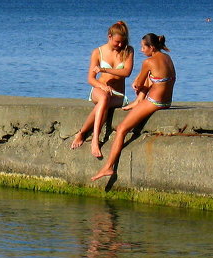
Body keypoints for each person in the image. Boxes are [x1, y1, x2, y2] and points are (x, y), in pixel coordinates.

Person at [92, 33, 175, 181]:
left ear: (152, 47)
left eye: (144, 47)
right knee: (152, 78)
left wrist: (136, 84)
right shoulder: (167, 58)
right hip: (167, 101)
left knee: (122, 129)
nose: (141, 50)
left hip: (155, 102)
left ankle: (108, 166)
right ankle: (138, 101)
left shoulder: (148, 62)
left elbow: (138, 84)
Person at [70, 21, 134, 159]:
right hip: (100, 90)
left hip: (118, 95)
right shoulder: (97, 52)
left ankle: (82, 132)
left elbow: (127, 72)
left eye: (122, 42)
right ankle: (95, 140)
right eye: (117, 42)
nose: (120, 45)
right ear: (109, 36)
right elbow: (91, 79)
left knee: (104, 103)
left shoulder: (128, 51)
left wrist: (104, 69)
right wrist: (102, 86)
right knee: (104, 98)